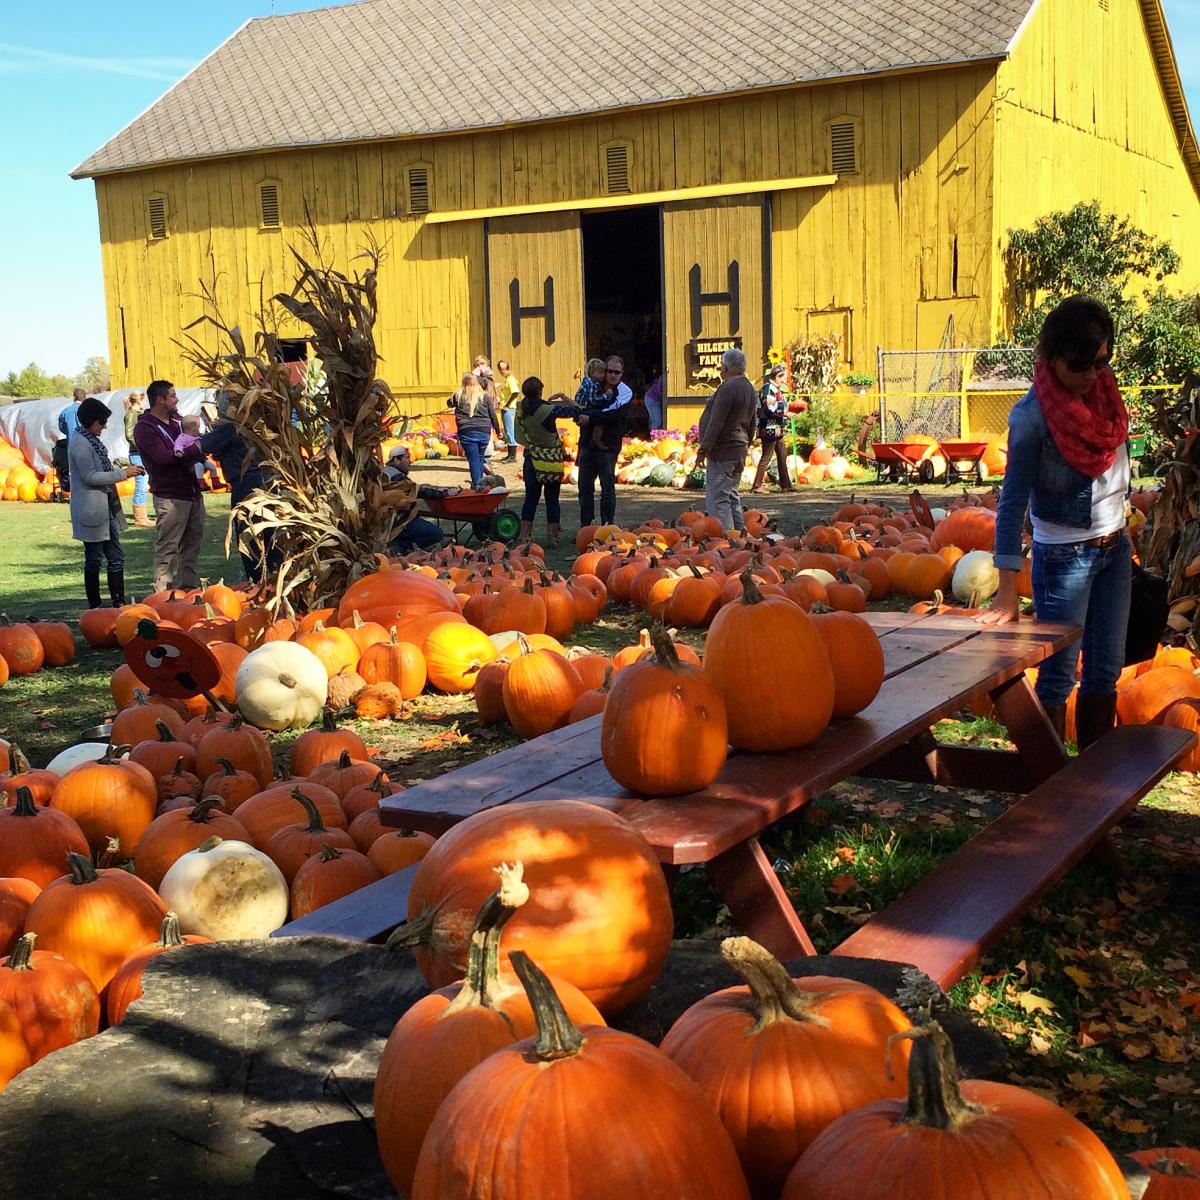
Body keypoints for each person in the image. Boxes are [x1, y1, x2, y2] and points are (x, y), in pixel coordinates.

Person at [978, 296, 1131, 749]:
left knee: (1106, 670)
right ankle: (1047, 787)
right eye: (1080, 364)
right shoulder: (1031, 417)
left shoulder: (1107, 395)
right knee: (1058, 675)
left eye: (1101, 362)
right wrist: (1007, 588)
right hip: (1065, 557)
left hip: (1114, 550)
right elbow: (1011, 503)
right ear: (1052, 357)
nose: (1092, 375)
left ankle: (1095, 787)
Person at [69, 396, 143, 609]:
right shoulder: (80, 444)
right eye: (101, 422)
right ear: (91, 421)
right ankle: (95, 606)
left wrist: (122, 470)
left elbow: (103, 469)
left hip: (105, 507)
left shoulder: (91, 440)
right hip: (91, 509)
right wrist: (122, 474)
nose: (104, 426)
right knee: (93, 559)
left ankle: (118, 602)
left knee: (116, 556)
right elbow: (91, 476)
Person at [134, 379, 207, 592]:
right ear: (160, 400)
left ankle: (189, 589)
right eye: (173, 396)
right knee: (168, 547)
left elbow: (193, 443)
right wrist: (194, 450)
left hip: (192, 492)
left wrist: (193, 450)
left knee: (192, 546)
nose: (177, 399)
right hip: (171, 496)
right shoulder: (145, 429)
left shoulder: (178, 421)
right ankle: (163, 595)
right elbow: (164, 458)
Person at [201, 392, 268, 580]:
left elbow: (206, 445)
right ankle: (271, 570)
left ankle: (255, 576)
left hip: (245, 484)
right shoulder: (253, 423)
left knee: (248, 532)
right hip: (262, 481)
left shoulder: (231, 427)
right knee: (266, 529)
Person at [696, 347, 758, 533]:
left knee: (719, 499)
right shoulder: (749, 387)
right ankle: (740, 535)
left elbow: (716, 421)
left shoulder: (728, 388)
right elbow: (753, 421)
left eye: (722, 367)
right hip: (739, 447)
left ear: (725, 367)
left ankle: (727, 539)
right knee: (731, 496)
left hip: (723, 450)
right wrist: (748, 442)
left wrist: (703, 449)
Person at [514, 376, 576, 546]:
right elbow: (576, 411)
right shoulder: (548, 409)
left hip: (531, 457)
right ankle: (553, 537)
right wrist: (564, 397)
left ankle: (525, 535)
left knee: (531, 498)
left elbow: (518, 437)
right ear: (540, 391)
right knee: (552, 498)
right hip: (550, 459)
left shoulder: (520, 409)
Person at [575, 360, 626, 527]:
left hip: (608, 447)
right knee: (584, 490)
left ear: (621, 373)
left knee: (607, 489)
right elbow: (580, 409)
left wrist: (590, 418)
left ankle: (606, 526)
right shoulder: (593, 386)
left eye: (616, 372)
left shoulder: (623, 392)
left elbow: (613, 415)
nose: (611, 375)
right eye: (609, 371)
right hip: (587, 444)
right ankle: (586, 526)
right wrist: (581, 416)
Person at [381, 446, 451, 553]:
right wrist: (444, 493)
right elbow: (419, 491)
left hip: (390, 521)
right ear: (396, 459)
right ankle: (399, 546)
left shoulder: (386, 472)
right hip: (399, 522)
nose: (410, 461)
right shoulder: (396, 476)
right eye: (407, 458)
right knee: (437, 534)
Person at [447, 371, 503, 488]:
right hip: (483, 431)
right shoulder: (485, 396)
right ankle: (480, 483)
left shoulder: (458, 396)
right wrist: (498, 431)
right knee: (480, 458)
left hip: (466, 432)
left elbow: (449, 403)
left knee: (473, 460)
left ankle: (477, 485)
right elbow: (492, 415)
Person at [751, 362, 794, 493]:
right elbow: (769, 409)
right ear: (777, 376)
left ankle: (785, 485)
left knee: (782, 455)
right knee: (766, 457)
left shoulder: (775, 390)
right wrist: (785, 413)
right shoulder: (768, 389)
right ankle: (757, 485)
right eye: (783, 377)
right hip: (769, 428)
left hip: (776, 428)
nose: (784, 380)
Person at [123, 391, 153, 526]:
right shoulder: (131, 415)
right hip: (137, 453)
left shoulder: (138, 415)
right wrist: (142, 446)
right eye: (144, 400)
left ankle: (142, 516)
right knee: (141, 484)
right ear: (139, 401)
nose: (145, 403)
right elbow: (129, 435)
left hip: (141, 453)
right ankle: (140, 518)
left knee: (144, 483)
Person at [54, 388, 86, 497]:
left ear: (74, 397)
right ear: (84, 397)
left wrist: (69, 432)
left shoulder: (65, 411)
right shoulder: (86, 410)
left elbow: (61, 427)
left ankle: (75, 494)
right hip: (85, 444)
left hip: (71, 445)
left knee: (73, 471)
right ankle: (84, 493)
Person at [496, 359, 521, 462]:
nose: (502, 371)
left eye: (504, 369)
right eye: (500, 369)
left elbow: (515, 392)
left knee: (510, 431)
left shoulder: (510, 379)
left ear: (508, 368)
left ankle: (513, 456)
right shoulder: (507, 379)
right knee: (507, 431)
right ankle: (509, 454)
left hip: (509, 409)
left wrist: (506, 405)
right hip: (505, 408)